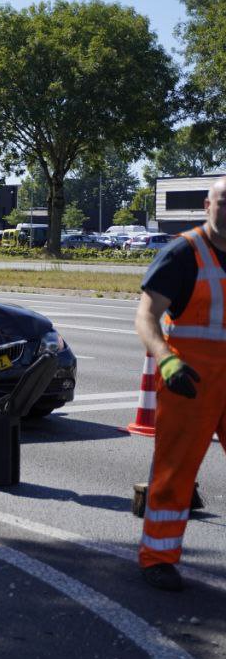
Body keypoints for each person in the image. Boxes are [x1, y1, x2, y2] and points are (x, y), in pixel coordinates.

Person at [134, 176, 226, 592]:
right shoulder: (183, 253)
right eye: (224, 202)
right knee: (175, 470)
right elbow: (146, 316)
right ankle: (158, 557)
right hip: (190, 380)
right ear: (207, 205)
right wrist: (166, 359)